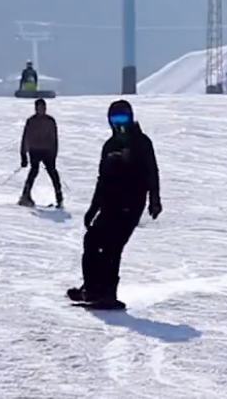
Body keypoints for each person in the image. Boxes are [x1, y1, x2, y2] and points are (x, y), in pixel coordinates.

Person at [67, 99, 162, 306]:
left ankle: (108, 293)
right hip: (110, 203)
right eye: (115, 118)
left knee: (112, 246)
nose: (120, 123)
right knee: (92, 240)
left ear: (131, 118)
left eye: (124, 118)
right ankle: (92, 288)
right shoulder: (109, 146)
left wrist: (154, 199)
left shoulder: (141, 143)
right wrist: (93, 208)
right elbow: (102, 180)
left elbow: (151, 171)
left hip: (131, 203)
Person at [18, 98, 63, 208]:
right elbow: (25, 138)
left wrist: (54, 154)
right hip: (35, 150)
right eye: (39, 108)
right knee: (34, 171)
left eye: (43, 108)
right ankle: (25, 195)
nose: (41, 110)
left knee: (53, 173)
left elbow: (54, 138)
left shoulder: (50, 121)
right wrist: (23, 155)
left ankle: (59, 198)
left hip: (48, 151)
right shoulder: (31, 121)